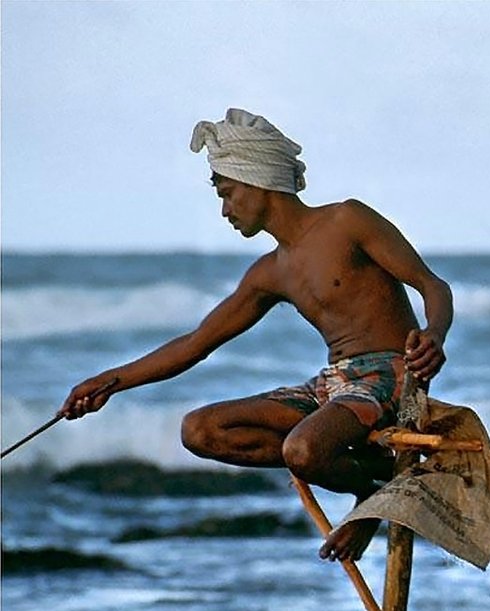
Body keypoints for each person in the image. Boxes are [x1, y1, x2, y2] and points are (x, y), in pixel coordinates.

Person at [58, 108, 453, 561]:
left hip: (391, 374)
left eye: (227, 194)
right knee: (201, 430)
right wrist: (108, 383)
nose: (225, 210)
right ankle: (376, 481)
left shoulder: (347, 221)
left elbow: (431, 284)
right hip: (335, 383)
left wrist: (434, 334)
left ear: (257, 181)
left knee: (302, 450)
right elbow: (195, 344)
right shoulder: (268, 273)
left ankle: (369, 501)